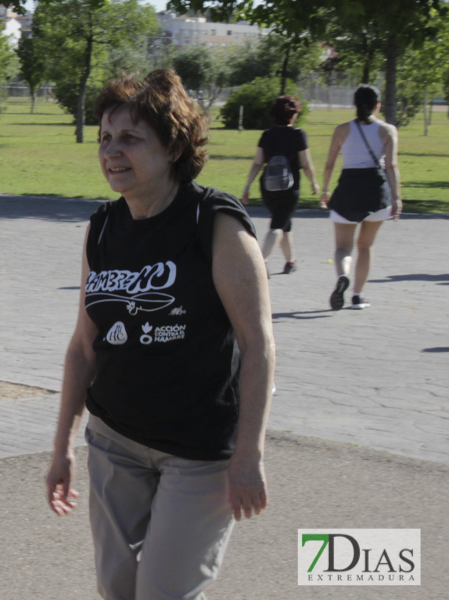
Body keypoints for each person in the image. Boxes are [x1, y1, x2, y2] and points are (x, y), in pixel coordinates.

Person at [45, 70, 275, 600]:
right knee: (118, 588)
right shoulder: (103, 226)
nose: (111, 151)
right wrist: (61, 449)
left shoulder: (214, 223)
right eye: (105, 138)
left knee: (163, 591)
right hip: (114, 440)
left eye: (130, 138)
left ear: (173, 146)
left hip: (198, 452)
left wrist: (249, 453)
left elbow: (258, 344)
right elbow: (84, 346)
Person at [318, 84, 402, 311]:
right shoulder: (387, 130)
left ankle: (342, 275)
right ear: (378, 105)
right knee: (366, 246)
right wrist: (397, 198)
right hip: (376, 191)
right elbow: (392, 165)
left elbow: (329, 164)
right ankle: (357, 295)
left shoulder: (342, 130)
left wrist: (325, 190)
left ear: (355, 105)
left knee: (342, 247)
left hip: (348, 189)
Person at [240, 96, 319, 275]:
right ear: (293, 115)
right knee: (277, 226)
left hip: (267, 187)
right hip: (289, 188)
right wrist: (314, 182)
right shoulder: (298, 134)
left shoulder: (267, 135)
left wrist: (247, 186)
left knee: (284, 223)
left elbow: (258, 163)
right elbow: (306, 164)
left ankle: (290, 262)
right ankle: (258, 263)